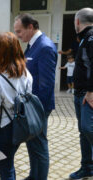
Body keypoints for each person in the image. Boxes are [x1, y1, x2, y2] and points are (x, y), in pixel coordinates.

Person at [0, 32, 33, 179]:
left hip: (4, 130)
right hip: (19, 127)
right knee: (8, 164)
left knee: (5, 168)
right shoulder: (26, 73)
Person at [14, 13, 57, 180]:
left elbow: (46, 85)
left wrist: (37, 110)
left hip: (38, 107)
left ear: (30, 27)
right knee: (32, 144)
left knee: (40, 146)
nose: (18, 35)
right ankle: (34, 175)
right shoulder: (32, 45)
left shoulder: (45, 47)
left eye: (19, 31)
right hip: (32, 106)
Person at [70, 7, 93, 180]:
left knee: (88, 129)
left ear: (78, 22)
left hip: (88, 94)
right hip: (80, 94)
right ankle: (87, 167)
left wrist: (91, 92)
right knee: (83, 132)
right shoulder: (85, 38)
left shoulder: (91, 38)